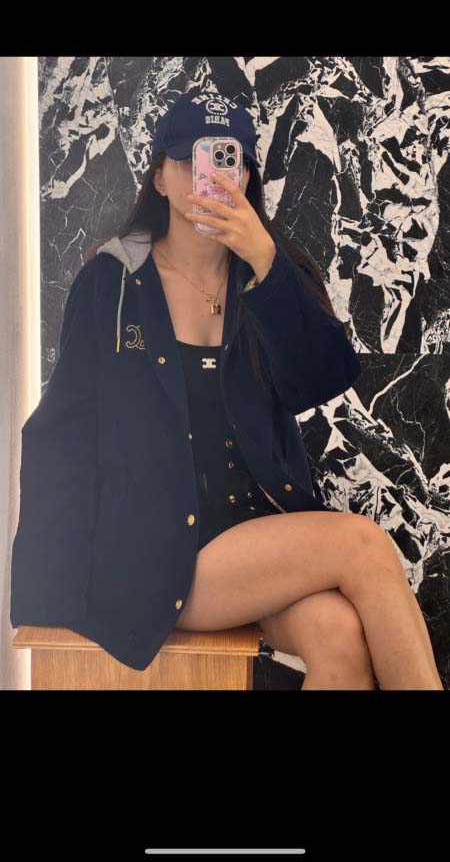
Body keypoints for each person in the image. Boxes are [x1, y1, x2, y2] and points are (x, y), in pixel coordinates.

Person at [10, 90, 443, 688]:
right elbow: (64, 433)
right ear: (160, 178)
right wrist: (46, 597)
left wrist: (265, 261)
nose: (210, 177)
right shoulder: (114, 282)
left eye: (227, 161)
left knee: (338, 634)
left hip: (260, 537)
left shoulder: (266, 272)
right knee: (363, 546)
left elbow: (322, 378)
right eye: (191, 161)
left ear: (246, 176)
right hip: (164, 557)